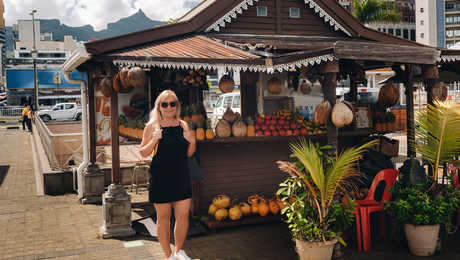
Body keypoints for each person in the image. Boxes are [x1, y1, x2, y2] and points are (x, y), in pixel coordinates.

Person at [139, 90, 196, 260]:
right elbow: (143, 152)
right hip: (161, 177)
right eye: (165, 104)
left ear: (177, 106)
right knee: (163, 218)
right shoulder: (152, 126)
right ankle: (168, 255)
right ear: (159, 106)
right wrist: (154, 139)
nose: (169, 107)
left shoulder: (183, 125)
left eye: (173, 104)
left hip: (181, 176)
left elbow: (189, 153)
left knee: (183, 215)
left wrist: (192, 141)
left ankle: (178, 251)